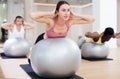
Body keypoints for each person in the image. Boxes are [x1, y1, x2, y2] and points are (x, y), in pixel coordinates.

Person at [30, 0, 95, 44]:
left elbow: (92, 19)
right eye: (63, 10)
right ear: (57, 12)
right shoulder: (51, 21)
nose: (66, 13)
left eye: (68, 10)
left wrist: (76, 14)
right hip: (43, 42)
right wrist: (50, 13)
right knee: (32, 62)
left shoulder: (70, 22)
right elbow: (32, 16)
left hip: (58, 45)